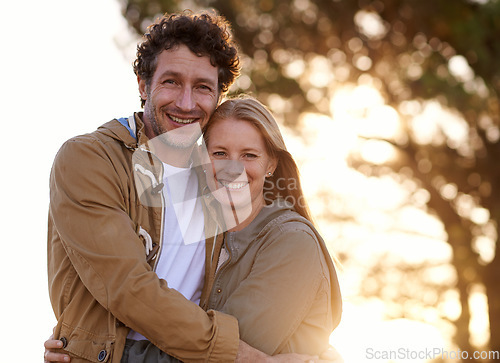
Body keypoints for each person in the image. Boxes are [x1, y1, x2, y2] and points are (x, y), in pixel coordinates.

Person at [45, 10, 342, 363]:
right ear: (143, 84)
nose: (186, 103)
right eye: (171, 81)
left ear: (218, 95)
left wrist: (321, 353)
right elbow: (127, 288)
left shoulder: (213, 172)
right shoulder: (93, 159)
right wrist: (252, 359)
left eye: (202, 87)